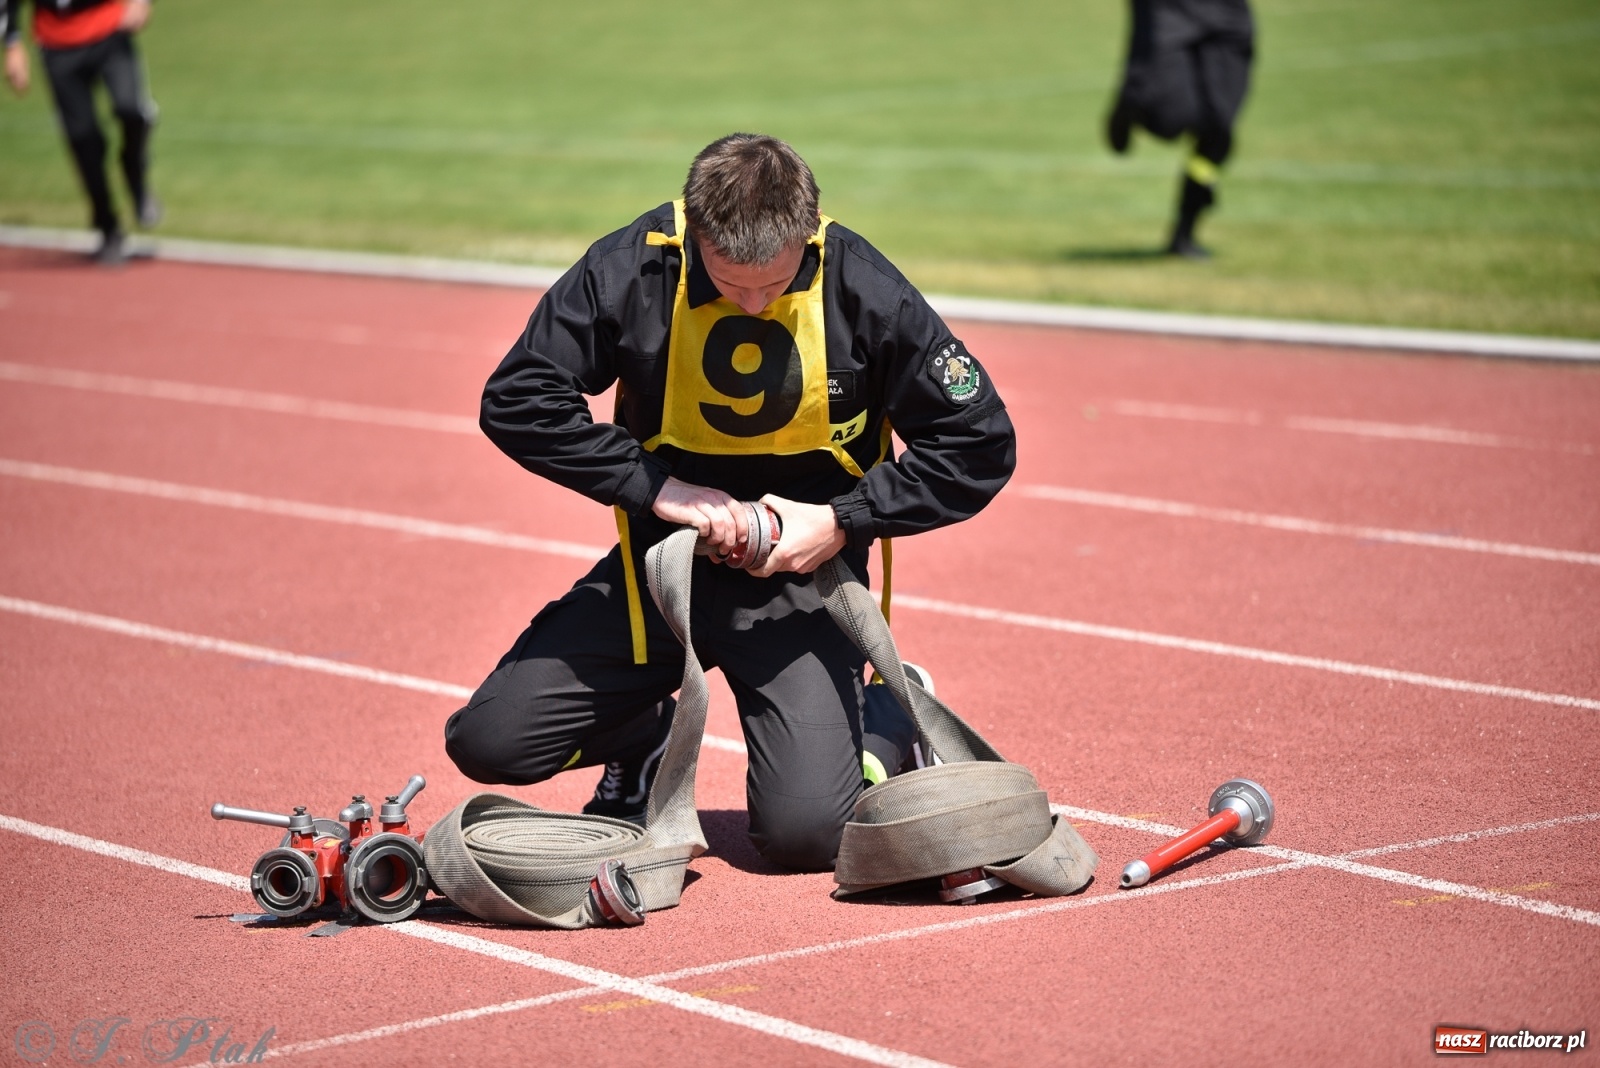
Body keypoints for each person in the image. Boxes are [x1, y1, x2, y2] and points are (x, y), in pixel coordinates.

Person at [444, 133, 1016, 873]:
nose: (753, 301)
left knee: (806, 838)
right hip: (662, 570)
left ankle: (883, 720)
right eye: (729, 280)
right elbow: (519, 399)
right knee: (488, 744)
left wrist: (842, 521)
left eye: (772, 284)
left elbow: (979, 444)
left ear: (808, 237)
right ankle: (638, 733)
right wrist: (659, 490)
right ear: (694, 232)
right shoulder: (632, 265)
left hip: (804, 586)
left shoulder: (867, 288)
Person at [2, 0, 161, 265]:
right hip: (57, 43)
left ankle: (137, 179)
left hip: (110, 26)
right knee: (84, 139)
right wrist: (12, 44)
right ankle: (108, 228)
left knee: (132, 111)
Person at [1104, 0, 1255, 258]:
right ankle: (1131, 101)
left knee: (1219, 127)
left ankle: (1184, 235)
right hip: (1169, 8)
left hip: (1228, 12)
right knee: (1171, 120)